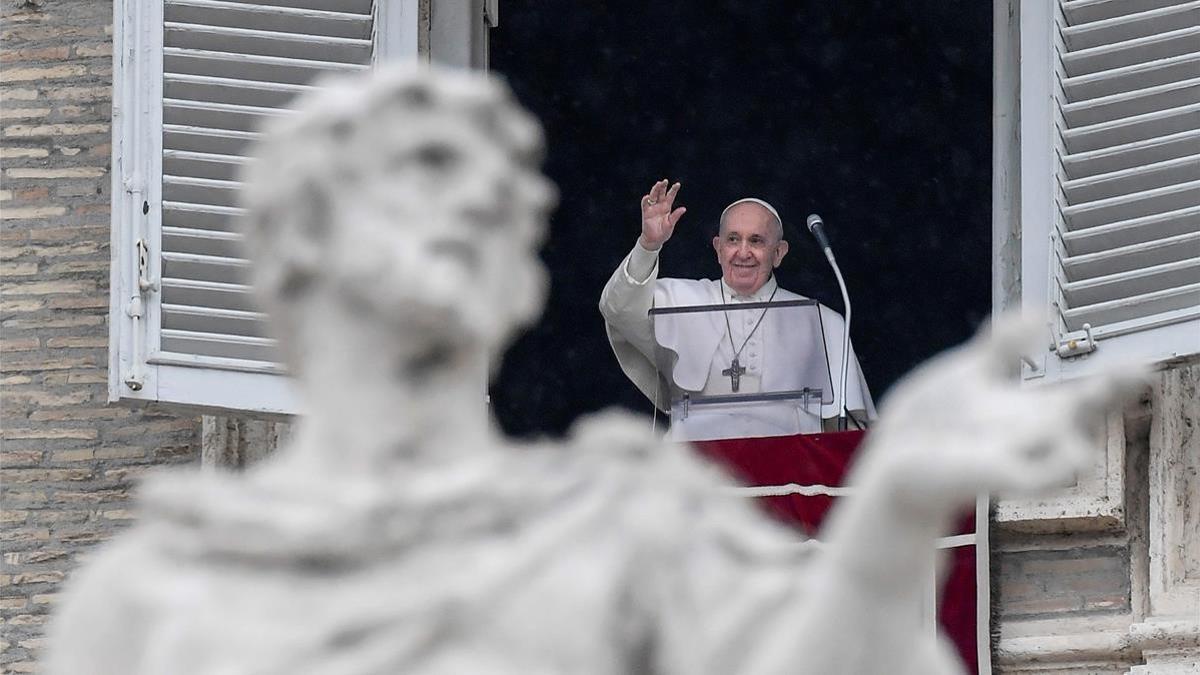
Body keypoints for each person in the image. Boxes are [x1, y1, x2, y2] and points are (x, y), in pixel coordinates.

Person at [600, 179, 875, 439]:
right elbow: (618, 307)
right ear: (718, 249)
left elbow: (848, 425)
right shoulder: (678, 300)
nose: (743, 252)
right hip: (698, 474)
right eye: (733, 239)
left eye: (756, 241)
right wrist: (648, 246)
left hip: (789, 476)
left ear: (778, 253)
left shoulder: (821, 322)